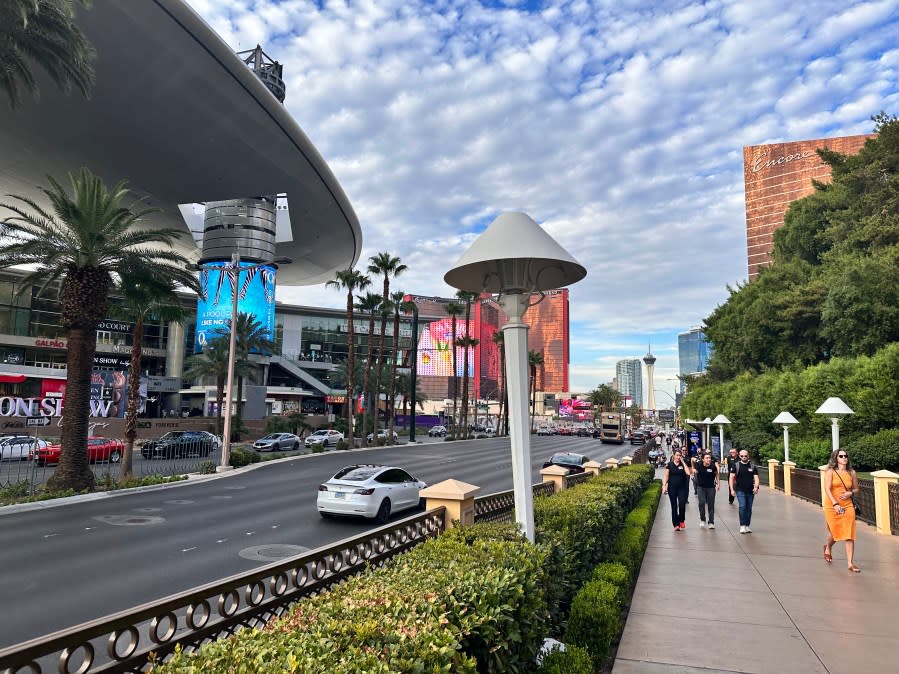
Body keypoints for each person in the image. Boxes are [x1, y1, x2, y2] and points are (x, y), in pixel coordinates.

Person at [823, 448, 861, 572]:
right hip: (832, 505)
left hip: (848, 505)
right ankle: (828, 547)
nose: (844, 458)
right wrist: (835, 504)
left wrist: (850, 493)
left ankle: (850, 563)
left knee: (849, 533)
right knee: (835, 532)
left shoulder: (852, 472)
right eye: (841, 456)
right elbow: (827, 489)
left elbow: (856, 489)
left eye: (846, 456)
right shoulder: (830, 472)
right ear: (836, 458)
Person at [728, 450, 760, 533]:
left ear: (748, 456)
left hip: (750, 490)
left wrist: (756, 487)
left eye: (745, 456)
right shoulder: (736, 465)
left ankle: (747, 525)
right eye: (742, 456)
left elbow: (756, 478)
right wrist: (732, 489)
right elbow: (731, 478)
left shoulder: (752, 466)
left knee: (749, 508)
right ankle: (742, 525)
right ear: (739, 456)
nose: (744, 457)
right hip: (740, 490)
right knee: (742, 506)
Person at [662, 449, 693, 531]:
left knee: (682, 505)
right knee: (674, 506)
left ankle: (681, 520)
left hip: (682, 488)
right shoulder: (669, 465)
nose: (678, 457)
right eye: (677, 455)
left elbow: (688, 473)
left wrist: (683, 462)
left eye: (680, 455)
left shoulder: (683, 464)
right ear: (673, 455)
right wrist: (664, 486)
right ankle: (676, 524)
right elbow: (666, 476)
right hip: (672, 488)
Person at [695, 451, 720, 528]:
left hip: (711, 487)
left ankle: (711, 522)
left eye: (709, 458)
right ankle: (703, 519)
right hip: (701, 487)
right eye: (707, 458)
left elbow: (716, 474)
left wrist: (718, 483)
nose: (709, 459)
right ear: (703, 459)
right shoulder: (698, 465)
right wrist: (693, 470)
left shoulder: (713, 466)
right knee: (701, 503)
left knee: (711, 504)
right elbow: (692, 461)